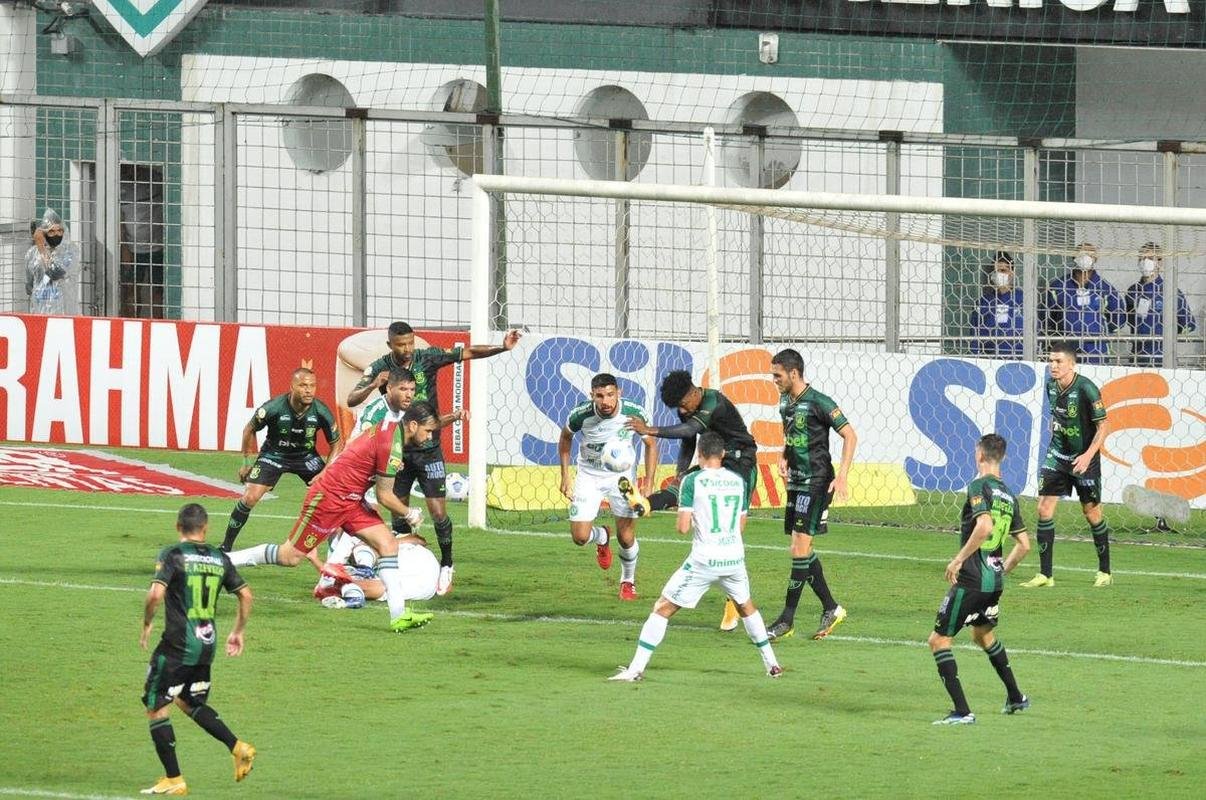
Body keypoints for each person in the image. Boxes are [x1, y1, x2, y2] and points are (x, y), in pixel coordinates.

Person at [228, 402, 441, 632]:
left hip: (351, 500)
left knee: (388, 544)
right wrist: (409, 513)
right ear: (412, 425)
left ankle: (398, 615)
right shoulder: (392, 444)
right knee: (289, 556)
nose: (429, 437)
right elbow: (384, 496)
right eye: (428, 431)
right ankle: (226, 561)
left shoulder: (393, 430)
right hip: (329, 499)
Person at [346, 321, 523, 595]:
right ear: (390, 345)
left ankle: (447, 564)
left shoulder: (426, 358)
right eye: (400, 345)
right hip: (397, 451)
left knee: (439, 512)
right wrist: (373, 386)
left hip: (429, 450)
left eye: (410, 343)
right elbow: (351, 399)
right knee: (398, 514)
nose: (406, 349)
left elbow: (467, 354)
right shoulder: (379, 367)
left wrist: (502, 347)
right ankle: (399, 567)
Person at [609, 433, 782, 682]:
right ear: (722, 454)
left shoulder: (692, 481)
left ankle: (635, 670)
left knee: (661, 609)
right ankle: (772, 665)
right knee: (746, 606)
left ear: (699, 455)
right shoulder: (738, 481)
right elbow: (741, 525)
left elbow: (682, 527)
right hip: (734, 558)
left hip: (704, 561)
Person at [628, 369, 759, 632]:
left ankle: (733, 601)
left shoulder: (714, 402)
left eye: (683, 404)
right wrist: (680, 474)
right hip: (712, 457)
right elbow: (689, 440)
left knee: (730, 528)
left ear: (693, 392)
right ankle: (647, 503)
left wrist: (649, 430)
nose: (683, 410)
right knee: (686, 486)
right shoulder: (687, 409)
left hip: (740, 459)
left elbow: (692, 428)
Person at [139, 503, 256, 795]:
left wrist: (147, 624)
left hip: (178, 644)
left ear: (178, 527)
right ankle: (238, 747)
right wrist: (238, 632)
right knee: (189, 701)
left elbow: (155, 594)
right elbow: (246, 594)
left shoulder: (172, 554)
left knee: (156, 706)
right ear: (205, 528)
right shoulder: (219, 557)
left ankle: (174, 778)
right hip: (207, 644)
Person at [929, 434, 1031, 725]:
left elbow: (984, 526)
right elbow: (1024, 544)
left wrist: (959, 559)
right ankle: (1016, 697)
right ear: (1002, 458)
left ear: (980, 455)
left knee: (938, 641)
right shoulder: (1009, 495)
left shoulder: (978, 486)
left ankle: (962, 711)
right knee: (983, 635)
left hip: (972, 579)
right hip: (994, 583)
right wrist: (1002, 568)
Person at [764, 349, 856, 642]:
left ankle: (787, 619)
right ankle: (831, 608)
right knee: (799, 548)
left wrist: (841, 475)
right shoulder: (784, 401)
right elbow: (789, 432)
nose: (774, 379)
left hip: (817, 481)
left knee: (800, 548)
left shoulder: (819, 402)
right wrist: (784, 455)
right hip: (796, 480)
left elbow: (850, 435)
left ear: (794, 373)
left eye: (777, 375)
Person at [220, 367, 343, 553]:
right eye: (303, 385)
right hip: (274, 455)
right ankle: (226, 546)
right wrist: (246, 462)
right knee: (249, 497)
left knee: (332, 498)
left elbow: (336, 443)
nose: (309, 390)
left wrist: (325, 472)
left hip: (306, 457)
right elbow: (249, 429)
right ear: (292, 387)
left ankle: (339, 554)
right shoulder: (273, 407)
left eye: (312, 385)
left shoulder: (321, 411)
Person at [558, 373, 656, 600]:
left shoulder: (634, 412)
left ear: (619, 393)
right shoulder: (580, 415)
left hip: (621, 478)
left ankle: (628, 582)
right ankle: (602, 537)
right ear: (592, 396)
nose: (606, 401)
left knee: (626, 537)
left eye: (610, 395)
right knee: (580, 537)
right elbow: (565, 439)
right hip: (589, 476)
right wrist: (565, 475)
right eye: (600, 396)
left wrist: (649, 483)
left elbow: (651, 444)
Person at [1022, 342, 1112, 589]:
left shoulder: (1087, 389)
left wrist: (1087, 455)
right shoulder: (1051, 386)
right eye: (1050, 361)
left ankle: (1105, 571)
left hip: (1085, 459)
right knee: (1043, 509)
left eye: (1058, 361)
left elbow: (1103, 426)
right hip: (1057, 456)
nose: (1053, 365)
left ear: (1071, 364)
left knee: (1092, 513)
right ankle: (1045, 575)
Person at [1043, 243, 1124, 364]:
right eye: (1081, 254)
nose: (1085, 257)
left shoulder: (1104, 288)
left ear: (1095, 258)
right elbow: (1047, 318)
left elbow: (1118, 318)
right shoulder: (1059, 286)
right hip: (1066, 348)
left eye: (1089, 254)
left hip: (1096, 350)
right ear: (1074, 257)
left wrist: (1101, 330)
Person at [1124, 242, 1197, 367]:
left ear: (1160, 262)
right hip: (1138, 357)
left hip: (1163, 358)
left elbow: (1189, 324)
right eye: (1141, 258)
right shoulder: (1132, 291)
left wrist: (1170, 337)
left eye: (1150, 259)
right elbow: (1129, 320)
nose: (1145, 262)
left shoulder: (1170, 291)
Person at [24, 208, 79, 316]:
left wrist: (40, 246)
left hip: (64, 310)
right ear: (44, 233)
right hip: (40, 310)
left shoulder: (70, 251)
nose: (57, 234)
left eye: (60, 231)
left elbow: (55, 272)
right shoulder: (32, 253)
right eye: (51, 231)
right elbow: (29, 285)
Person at [970, 251, 1024, 358]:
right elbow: (974, 335)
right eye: (996, 271)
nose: (1000, 274)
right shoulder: (983, 302)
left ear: (1012, 272)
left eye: (1003, 270)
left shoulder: (1024, 299)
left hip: (1019, 359)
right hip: (990, 359)